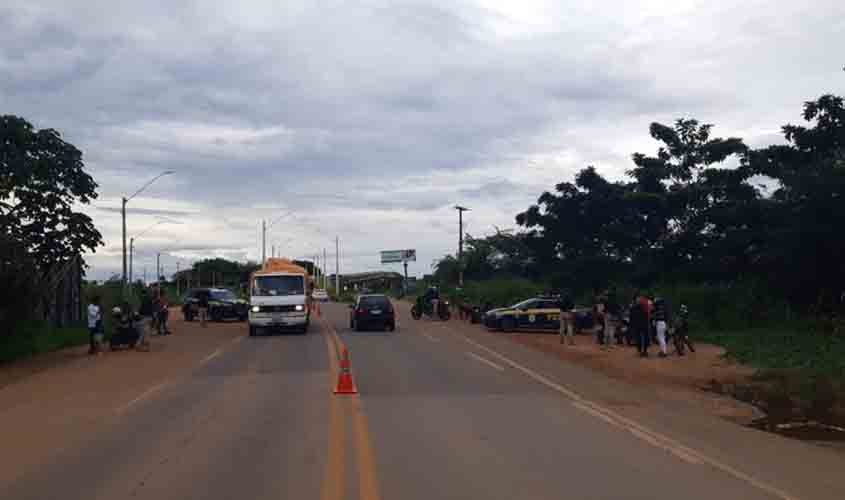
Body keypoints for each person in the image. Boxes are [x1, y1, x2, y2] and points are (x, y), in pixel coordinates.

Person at [630, 292, 650, 357]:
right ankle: (644, 351)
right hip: (644, 323)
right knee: (644, 336)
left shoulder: (635, 306)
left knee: (639, 337)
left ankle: (641, 351)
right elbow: (648, 313)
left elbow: (632, 315)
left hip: (639, 323)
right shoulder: (645, 304)